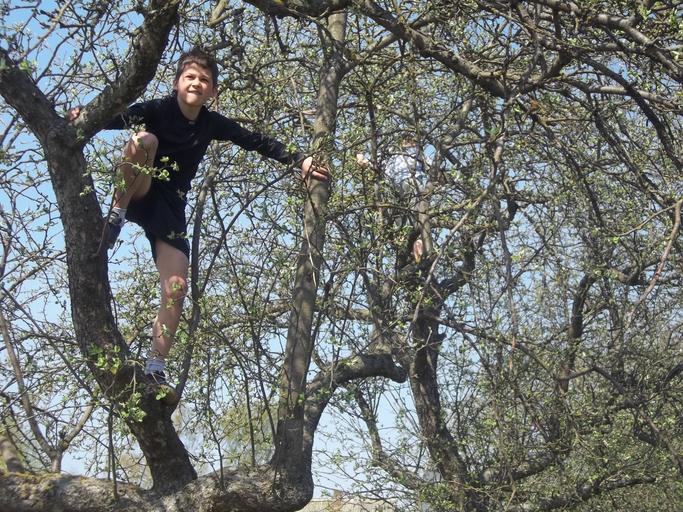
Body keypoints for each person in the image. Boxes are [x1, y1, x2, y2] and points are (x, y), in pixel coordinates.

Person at [69, 47, 329, 404]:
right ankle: (116, 214)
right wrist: (84, 116)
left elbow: (255, 141)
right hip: (140, 186)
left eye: (204, 80)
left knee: (177, 288)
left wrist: (300, 159)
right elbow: (117, 118)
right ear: (177, 82)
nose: (196, 83)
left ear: (213, 91)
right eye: (190, 77)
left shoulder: (211, 123)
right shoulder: (157, 109)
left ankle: (156, 366)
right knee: (143, 140)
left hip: (170, 208)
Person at [356, 137, 429, 263]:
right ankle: (412, 249)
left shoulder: (410, 152)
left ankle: (415, 248)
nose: (411, 143)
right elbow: (369, 163)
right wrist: (360, 157)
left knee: (411, 219)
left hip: (402, 185)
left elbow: (367, 163)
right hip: (400, 186)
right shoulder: (392, 151)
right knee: (410, 219)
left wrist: (361, 157)